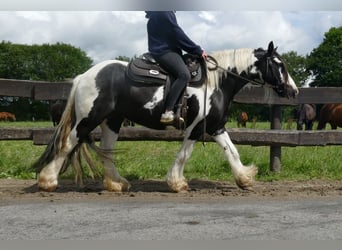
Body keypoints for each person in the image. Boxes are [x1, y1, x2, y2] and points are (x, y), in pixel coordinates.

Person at [145, 11, 207, 124]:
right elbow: (176, 33)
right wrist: (197, 50)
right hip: (164, 51)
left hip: (162, 50)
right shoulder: (165, 10)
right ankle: (167, 112)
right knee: (184, 74)